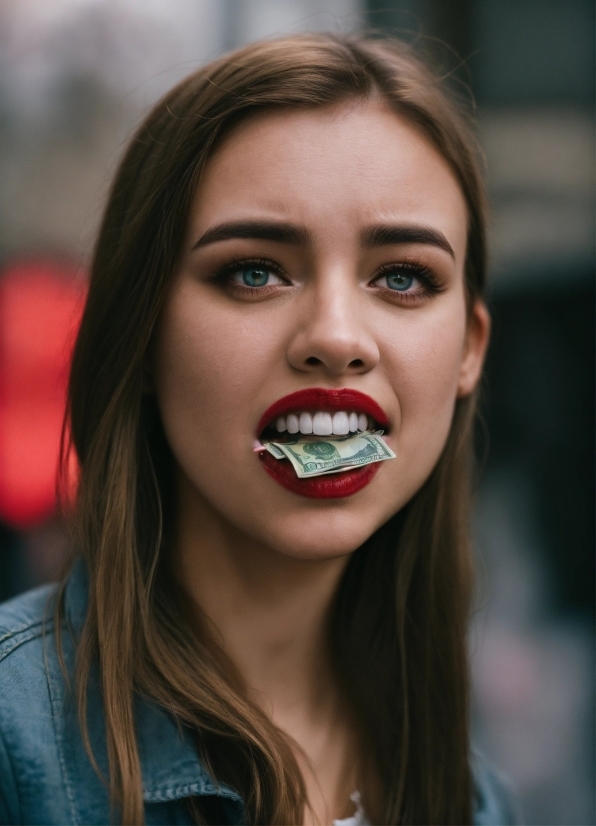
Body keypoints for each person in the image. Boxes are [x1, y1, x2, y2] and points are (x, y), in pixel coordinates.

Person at [0, 34, 519, 825]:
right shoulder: (14, 740)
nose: (338, 335)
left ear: (469, 350)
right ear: (141, 333)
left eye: (403, 277)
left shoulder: (476, 802)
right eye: (253, 271)